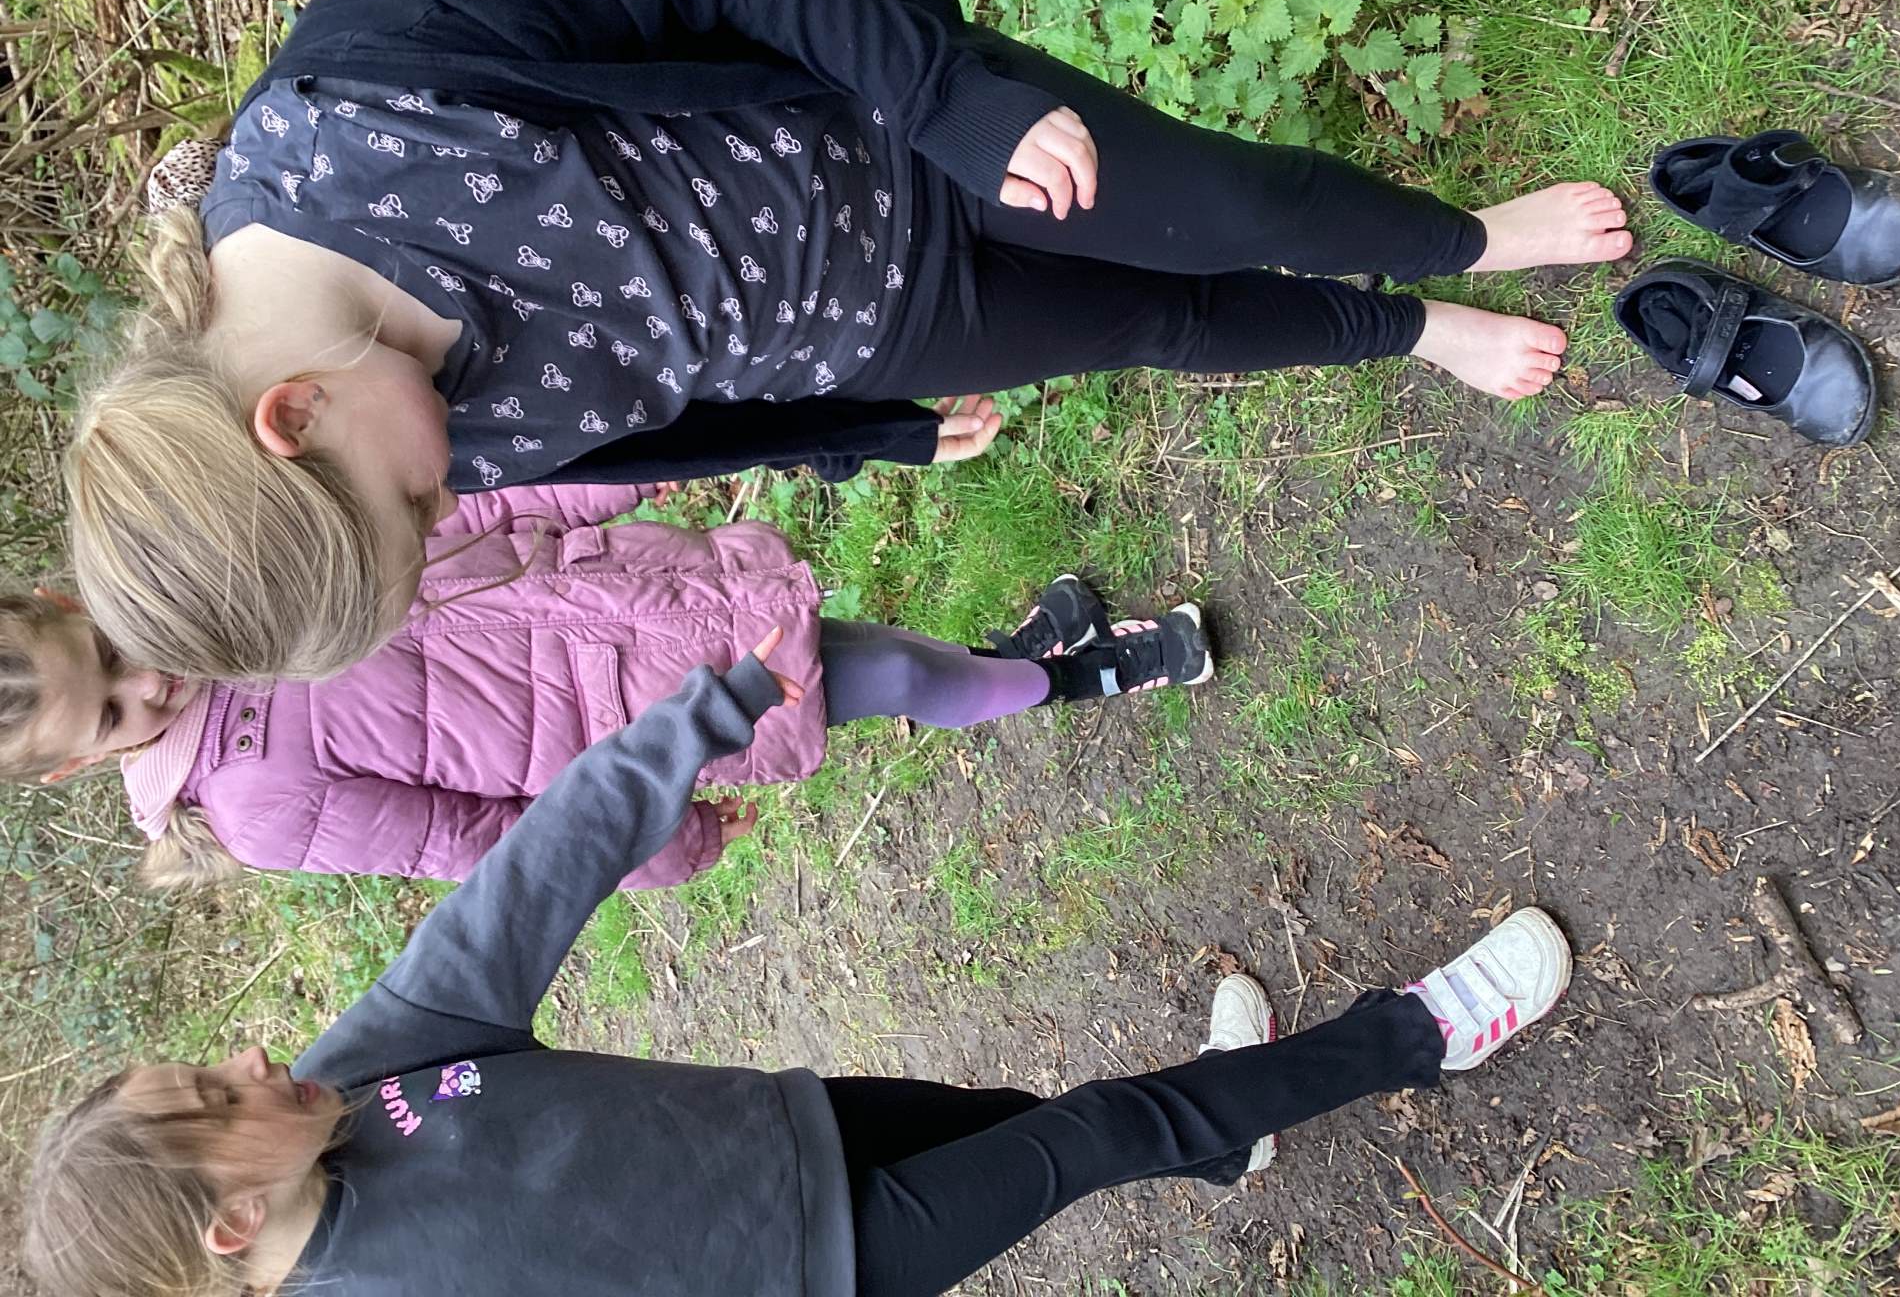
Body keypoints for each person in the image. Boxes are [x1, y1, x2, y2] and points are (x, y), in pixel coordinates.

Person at [67, 0, 1630, 682]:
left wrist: (950, 100)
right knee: (1170, 320)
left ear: (291, 412)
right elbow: (649, 431)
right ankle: (1416, 327)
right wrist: (851, 431)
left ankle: (1469, 237)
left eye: (413, 508)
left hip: (914, 144)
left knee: (1234, 206)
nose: (451, 498)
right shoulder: (393, 425)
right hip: (889, 328)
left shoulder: (380, 82)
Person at [22, 635, 1574, 1297]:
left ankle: (1228, 1139)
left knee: (1028, 1122)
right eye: (217, 1096)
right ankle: (1420, 1034)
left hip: (801, 1126)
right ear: (231, 1225)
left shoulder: (361, 1081)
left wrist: (696, 720)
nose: (247, 1056)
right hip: (830, 1268)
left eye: (204, 1062)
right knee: (1102, 1127)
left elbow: (528, 882)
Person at [0, 490, 1202, 884]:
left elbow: (440, 513)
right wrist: (663, 841)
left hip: (620, 602)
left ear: (67, 599)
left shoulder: (224, 576)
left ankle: (1023, 659)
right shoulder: (251, 803)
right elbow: (482, 845)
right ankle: (1086, 672)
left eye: (106, 649)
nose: (148, 679)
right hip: (642, 718)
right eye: (112, 711)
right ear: (78, 765)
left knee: (860, 649)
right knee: (875, 671)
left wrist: (607, 479)